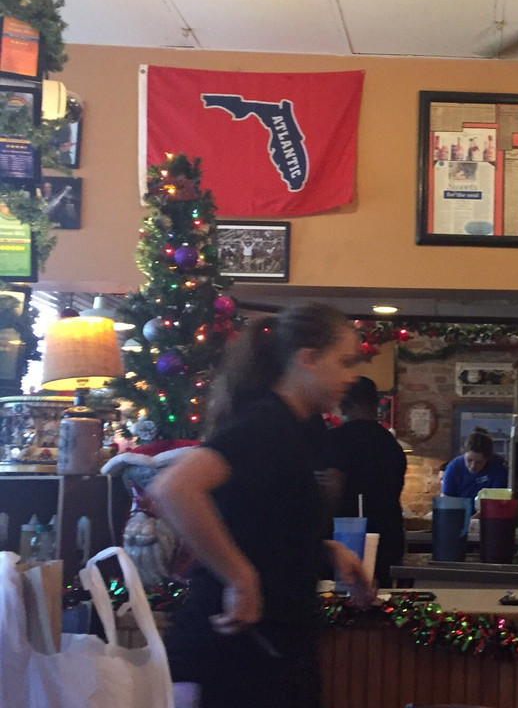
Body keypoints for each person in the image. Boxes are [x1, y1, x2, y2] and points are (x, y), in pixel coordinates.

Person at [148, 303, 375, 708]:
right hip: (237, 653)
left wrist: (325, 550)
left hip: (267, 650)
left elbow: (260, 523)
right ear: (307, 359)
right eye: (344, 362)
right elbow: (174, 489)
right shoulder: (267, 424)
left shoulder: (299, 428)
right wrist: (240, 578)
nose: (351, 376)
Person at [327, 376, 406, 587]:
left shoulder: (336, 440)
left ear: (347, 403)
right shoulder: (392, 445)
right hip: (389, 535)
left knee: (340, 597)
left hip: (347, 537)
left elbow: (333, 489)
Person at [441, 427, 508, 502]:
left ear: (488, 459)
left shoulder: (498, 468)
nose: (473, 466)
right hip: (458, 507)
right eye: (469, 460)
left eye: (479, 462)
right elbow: (446, 500)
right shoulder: (454, 467)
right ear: (464, 454)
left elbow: (498, 501)